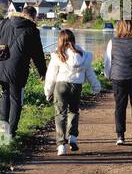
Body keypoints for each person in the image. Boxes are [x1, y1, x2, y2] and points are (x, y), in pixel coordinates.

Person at [0, 5, 47, 139]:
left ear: (22, 13)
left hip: (0, 66)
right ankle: (11, 133)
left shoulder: (5, 23)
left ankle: (3, 130)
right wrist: (43, 72)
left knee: (5, 95)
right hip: (18, 70)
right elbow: (38, 55)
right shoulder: (32, 30)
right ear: (33, 16)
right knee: (16, 99)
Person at [43, 28, 102, 156]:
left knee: (60, 114)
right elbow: (89, 73)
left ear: (60, 41)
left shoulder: (58, 55)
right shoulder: (83, 55)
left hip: (61, 85)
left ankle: (61, 145)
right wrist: (96, 86)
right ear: (73, 40)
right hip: (77, 86)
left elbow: (51, 76)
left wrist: (48, 91)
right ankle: (73, 137)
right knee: (74, 111)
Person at [103, 18, 132, 144]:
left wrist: (107, 75)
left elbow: (108, 61)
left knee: (120, 106)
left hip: (118, 77)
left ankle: (120, 136)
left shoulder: (113, 42)